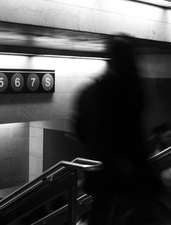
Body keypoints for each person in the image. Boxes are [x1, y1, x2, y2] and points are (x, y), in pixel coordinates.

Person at [74, 34, 163, 225]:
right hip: (129, 167)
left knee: (103, 209)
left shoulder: (97, 90)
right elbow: (135, 131)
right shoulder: (131, 86)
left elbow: (82, 130)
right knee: (141, 210)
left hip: (107, 168)